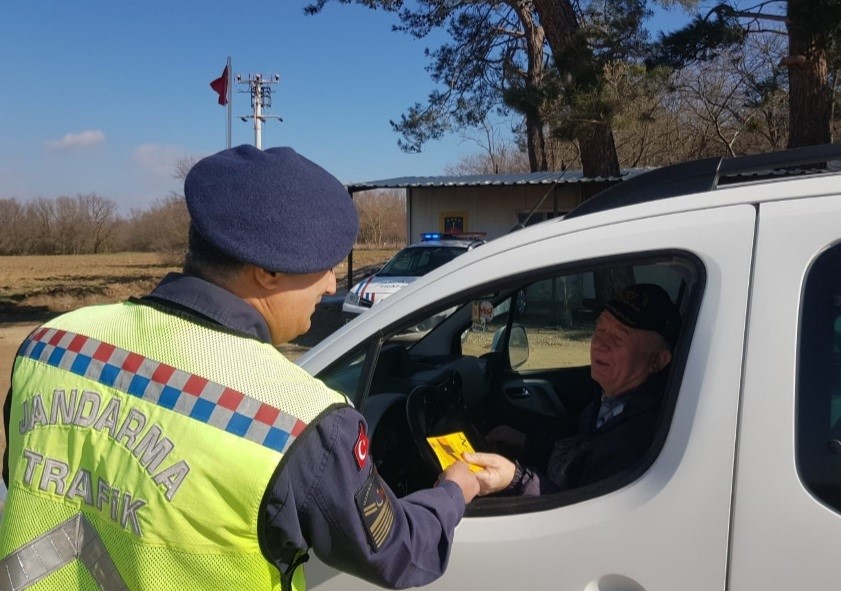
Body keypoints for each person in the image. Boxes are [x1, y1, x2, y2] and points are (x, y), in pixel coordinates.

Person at [0, 145, 480, 591]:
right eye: (323, 265)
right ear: (266, 269)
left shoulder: (52, 343)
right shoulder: (302, 422)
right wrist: (457, 488)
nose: (333, 285)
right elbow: (400, 555)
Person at [465, 283, 680, 497]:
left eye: (618, 338)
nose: (598, 344)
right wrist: (527, 442)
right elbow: (579, 446)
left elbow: (579, 514)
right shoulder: (613, 399)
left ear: (658, 361)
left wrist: (515, 479)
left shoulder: (641, 442)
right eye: (600, 328)